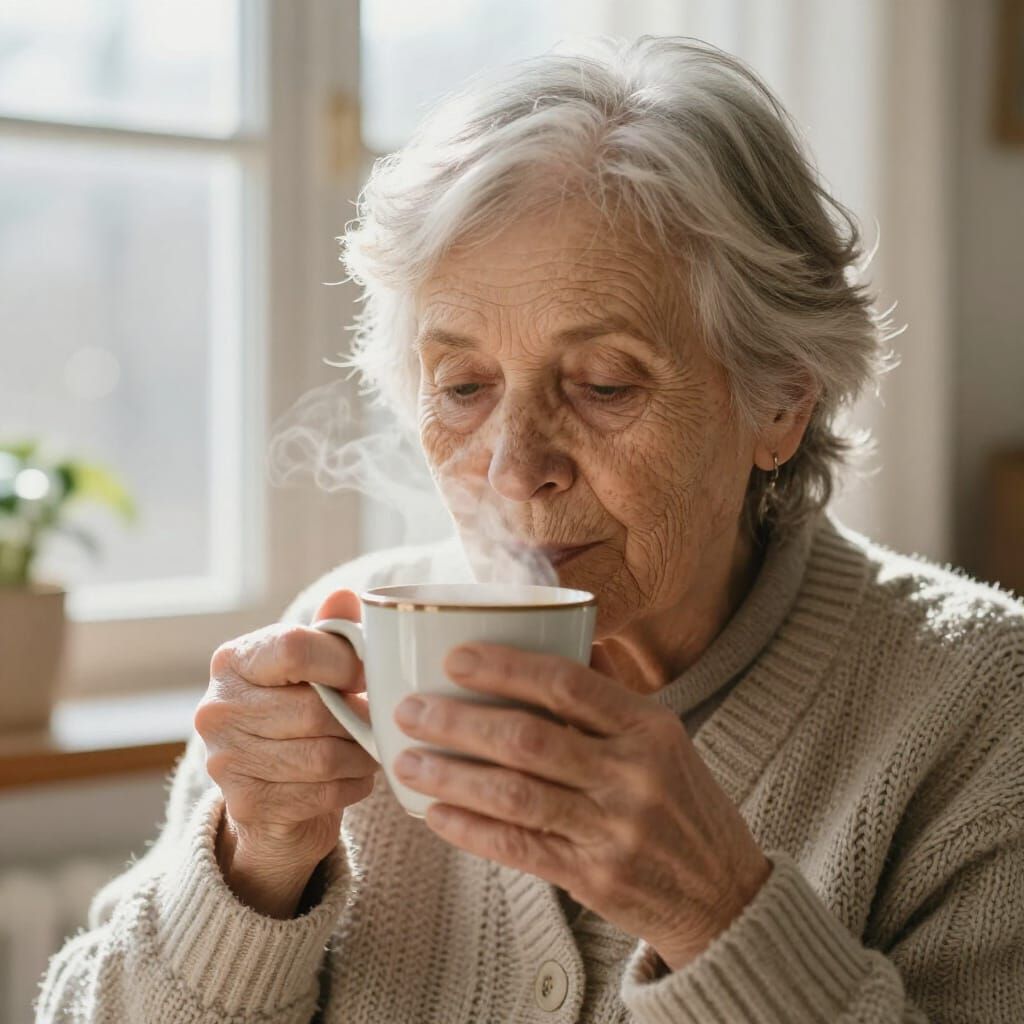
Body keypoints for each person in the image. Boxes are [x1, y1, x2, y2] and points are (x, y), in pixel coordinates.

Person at [38, 36, 1023, 1024]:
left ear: (777, 403)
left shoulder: (981, 704)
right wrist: (250, 870)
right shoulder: (345, 650)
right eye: (462, 387)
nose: (513, 466)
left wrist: (719, 913)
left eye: (602, 385)